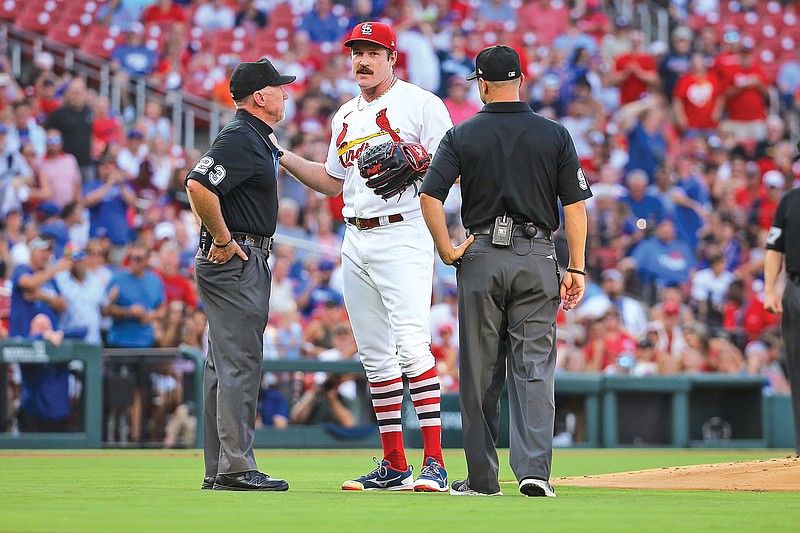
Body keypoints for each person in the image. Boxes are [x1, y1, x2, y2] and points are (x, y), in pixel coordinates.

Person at [273, 21, 453, 492]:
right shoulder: (345, 115)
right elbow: (333, 181)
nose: (363, 59)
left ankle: (434, 463)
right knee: (375, 358)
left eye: (373, 51)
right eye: (357, 51)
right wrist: (283, 156)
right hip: (355, 236)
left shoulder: (422, 104)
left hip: (404, 232)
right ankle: (395, 465)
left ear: (392, 58)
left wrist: (421, 161)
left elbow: (456, 169)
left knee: (413, 346)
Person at [419, 45, 591, 497]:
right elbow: (574, 206)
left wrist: (447, 249)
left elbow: (429, 196)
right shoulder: (555, 134)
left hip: (480, 256)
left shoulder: (462, 135)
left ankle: (482, 480)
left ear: (482, 83)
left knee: (479, 373)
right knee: (534, 367)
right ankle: (534, 473)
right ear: (522, 79)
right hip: (537, 256)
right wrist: (577, 267)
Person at [184, 57, 294, 492]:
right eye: (280, 88)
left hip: (237, 256)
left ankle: (220, 467)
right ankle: (235, 467)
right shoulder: (240, 137)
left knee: (223, 364)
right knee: (240, 363)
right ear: (261, 97)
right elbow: (197, 184)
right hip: (237, 257)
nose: (286, 93)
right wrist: (225, 239)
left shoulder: (255, 138)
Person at [764, 158, 800, 456]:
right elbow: (774, 248)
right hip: (796, 286)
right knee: (797, 369)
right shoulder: (789, 200)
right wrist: (769, 289)